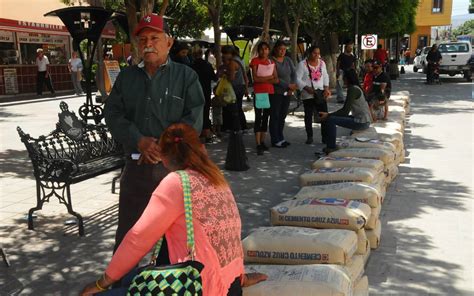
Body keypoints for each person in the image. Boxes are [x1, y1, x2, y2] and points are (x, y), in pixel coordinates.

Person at [79, 123, 267, 296]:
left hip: (197, 288)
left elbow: (137, 239)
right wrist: (241, 277)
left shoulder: (176, 182)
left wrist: (100, 284)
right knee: (130, 278)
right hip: (230, 285)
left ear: (163, 157)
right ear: (199, 148)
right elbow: (230, 236)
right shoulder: (216, 178)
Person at [104, 14, 205, 259]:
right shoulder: (127, 78)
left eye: (155, 38)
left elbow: (195, 118)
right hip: (136, 167)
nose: (148, 43)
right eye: (143, 39)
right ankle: (118, 283)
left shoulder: (186, 76)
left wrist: (163, 146)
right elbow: (113, 114)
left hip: (174, 170)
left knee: (176, 234)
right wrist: (138, 139)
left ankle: (169, 280)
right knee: (129, 232)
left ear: (169, 42)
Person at [319, 69, 372, 154]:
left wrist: (328, 115)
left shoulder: (353, 90)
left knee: (331, 120)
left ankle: (331, 147)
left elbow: (345, 112)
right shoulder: (355, 88)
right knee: (331, 117)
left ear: (347, 79)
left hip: (362, 122)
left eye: (342, 78)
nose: (341, 80)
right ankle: (329, 143)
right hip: (362, 119)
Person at [296, 45, 331, 145]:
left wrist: (326, 88)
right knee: (308, 115)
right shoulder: (302, 64)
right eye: (314, 53)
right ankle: (309, 136)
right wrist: (306, 88)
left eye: (318, 53)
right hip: (308, 94)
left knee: (324, 115)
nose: (316, 55)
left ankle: (325, 137)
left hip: (320, 93)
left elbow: (325, 76)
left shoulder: (322, 63)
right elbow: (297, 79)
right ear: (309, 53)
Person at [249, 42, 279, 155]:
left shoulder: (271, 62)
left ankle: (262, 141)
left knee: (266, 117)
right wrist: (269, 77)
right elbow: (255, 79)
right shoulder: (255, 61)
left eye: (266, 49)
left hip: (270, 92)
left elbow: (276, 79)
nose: (264, 51)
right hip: (259, 92)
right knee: (259, 117)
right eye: (261, 49)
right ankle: (257, 143)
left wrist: (265, 78)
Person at [270, 40, 297, 148]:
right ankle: (275, 139)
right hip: (276, 92)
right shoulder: (271, 61)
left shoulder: (288, 60)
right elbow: (274, 78)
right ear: (275, 49)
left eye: (284, 49)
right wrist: (287, 85)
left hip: (288, 92)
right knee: (275, 115)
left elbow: (294, 73)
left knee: (282, 115)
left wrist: (293, 86)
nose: (282, 51)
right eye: (280, 49)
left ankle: (281, 137)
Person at [191, 45, 217, 143]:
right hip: (205, 91)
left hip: (194, 92)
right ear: (201, 54)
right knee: (206, 112)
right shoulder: (207, 65)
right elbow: (214, 78)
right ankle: (206, 133)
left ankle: (196, 133)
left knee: (195, 113)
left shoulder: (191, 66)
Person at [220, 45, 248, 132]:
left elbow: (231, 78)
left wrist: (224, 73)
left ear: (230, 53)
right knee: (238, 107)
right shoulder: (239, 59)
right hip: (241, 86)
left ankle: (236, 128)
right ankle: (243, 127)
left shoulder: (232, 62)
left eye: (225, 53)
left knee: (233, 109)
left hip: (235, 87)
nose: (223, 55)